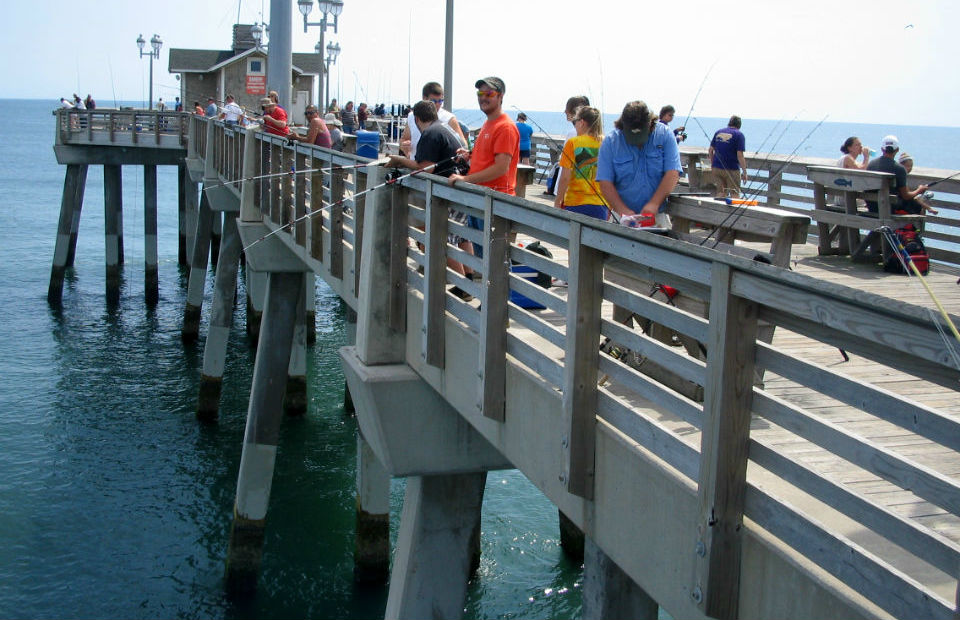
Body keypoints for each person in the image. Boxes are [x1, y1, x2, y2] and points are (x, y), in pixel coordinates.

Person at [388, 100, 475, 297]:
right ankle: (467, 279)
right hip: (463, 188)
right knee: (461, 236)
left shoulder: (429, 133)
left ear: (417, 119)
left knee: (435, 238)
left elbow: (425, 167)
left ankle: (463, 286)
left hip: (450, 191)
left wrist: (400, 160)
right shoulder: (445, 128)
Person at [596, 100, 682, 225]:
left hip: (656, 217)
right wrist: (623, 211)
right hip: (622, 218)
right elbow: (605, 182)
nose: (638, 142)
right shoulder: (610, 142)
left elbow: (673, 173)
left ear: (650, 125)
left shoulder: (665, 135)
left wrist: (654, 204)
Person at [447, 77, 520, 195]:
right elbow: (488, 157)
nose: (483, 98)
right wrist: (470, 155)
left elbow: (501, 168)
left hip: (495, 200)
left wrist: (466, 179)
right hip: (480, 195)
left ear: (500, 96)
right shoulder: (488, 123)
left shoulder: (505, 127)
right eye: (480, 93)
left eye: (489, 94)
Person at [554, 106, 609, 221]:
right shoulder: (607, 143)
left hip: (576, 202)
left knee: (572, 238)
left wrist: (558, 200)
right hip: (601, 204)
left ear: (582, 122)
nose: (575, 125)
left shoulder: (573, 143)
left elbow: (565, 177)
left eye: (576, 121)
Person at [865, 135, 929, 215]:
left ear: (882, 149)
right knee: (918, 207)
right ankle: (913, 228)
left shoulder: (871, 164)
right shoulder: (899, 169)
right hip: (889, 210)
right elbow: (906, 196)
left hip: (872, 208)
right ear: (897, 150)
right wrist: (919, 190)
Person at [400, 82, 467, 157]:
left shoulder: (449, 118)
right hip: (415, 165)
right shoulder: (412, 116)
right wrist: (405, 147)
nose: (438, 104)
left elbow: (463, 145)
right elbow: (404, 139)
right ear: (424, 98)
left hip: (439, 166)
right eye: (434, 101)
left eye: (441, 101)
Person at [708, 115, 747, 197]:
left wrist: (712, 164)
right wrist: (744, 172)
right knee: (734, 194)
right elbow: (740, 155)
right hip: (732, 169)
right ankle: (735, 210)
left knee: (721, 193)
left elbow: (710, 150)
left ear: (729, 123)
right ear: (739, 125)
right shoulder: (739, 135)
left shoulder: (718, 132)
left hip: (717, 168)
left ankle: (718, 208)